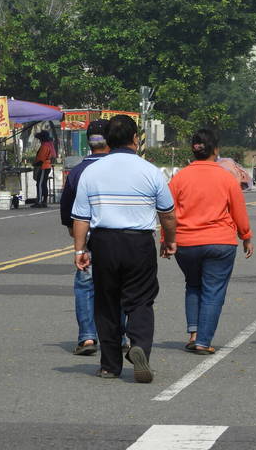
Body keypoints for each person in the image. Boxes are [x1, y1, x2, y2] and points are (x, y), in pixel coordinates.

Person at [71, 115, 177, 382]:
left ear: (108, 141)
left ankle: (109, 365)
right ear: (135, 140)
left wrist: (79, 251)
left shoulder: (91, 172)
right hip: (138, 242)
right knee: (140, 299)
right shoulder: (150, 171)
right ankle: (139, 344)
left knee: (106, 303)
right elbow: (167, 213)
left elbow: (81, 217)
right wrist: (169, 239)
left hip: (104, 242)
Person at [169, 127, 254, 355]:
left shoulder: (179, 178)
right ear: (216, 150)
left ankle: (194, 333)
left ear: (193, 150)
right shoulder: (226, 178)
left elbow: (168, 212)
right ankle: (203, 341)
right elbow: (239, 212)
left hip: (186, 243)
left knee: (193, 284)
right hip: (220, 243)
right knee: (213, 291)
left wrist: (167, 239)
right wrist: (245, 236)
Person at [59, 119, 109, 356]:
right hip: (117, 237)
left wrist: (76, 235)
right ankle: (120, 337)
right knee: (117, 286)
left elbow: (67, 210)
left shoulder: (78, 171)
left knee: (85, 286)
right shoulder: (118, 168)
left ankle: (87, 337)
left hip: (87, 237)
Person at [32, 130, 56, 208]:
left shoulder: (44, 146)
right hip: (47, 166)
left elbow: (41, 159)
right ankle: (44, 201)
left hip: (43, 167)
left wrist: (34, 164)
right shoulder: (49, 145)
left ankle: (39, 201)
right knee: (43, 184)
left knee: (39, 184)